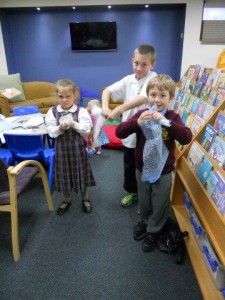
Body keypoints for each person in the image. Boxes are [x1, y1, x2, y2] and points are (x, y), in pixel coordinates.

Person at [115, 74, 192, 252]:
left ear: (170, 98)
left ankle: (154, 230)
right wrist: (137, 123)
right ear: (148, 96)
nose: (157, 100)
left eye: (163, 95)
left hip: (164, 170)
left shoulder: (173, 117)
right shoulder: (142, 114)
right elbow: (119, 132)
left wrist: (167, 123)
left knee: (160, 201)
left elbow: (186, 137)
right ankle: (145, 221)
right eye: (153, 95)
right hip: (142, 169)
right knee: (144, 200)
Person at [102, 44, 157, 208]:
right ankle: (133, 192)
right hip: (130, 131)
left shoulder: (154, 79)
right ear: (132, 61)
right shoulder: (128, 79)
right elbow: (107, 91)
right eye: (136, 63)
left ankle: (148, 194)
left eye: (144, 64)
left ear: (152, 65)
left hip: (147, 133)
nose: (139, 68)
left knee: (147, 164)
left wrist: (119, 108)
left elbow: (143, 98)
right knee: (129, 164)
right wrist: (106, 107)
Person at [45, 79, 96, 215]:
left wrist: (74, 124)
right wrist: (60, 128)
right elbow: (51, 132)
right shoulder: (52, 111)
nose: (64, 100)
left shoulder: (81, 111)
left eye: (68, 96)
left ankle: (85, 198)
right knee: (64, 174)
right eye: (61, 96)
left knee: (81, 172)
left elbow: (86, 129)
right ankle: (66, 200)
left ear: (75, 96)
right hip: (61, 148)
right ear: (57, 96)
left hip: (77, 147)